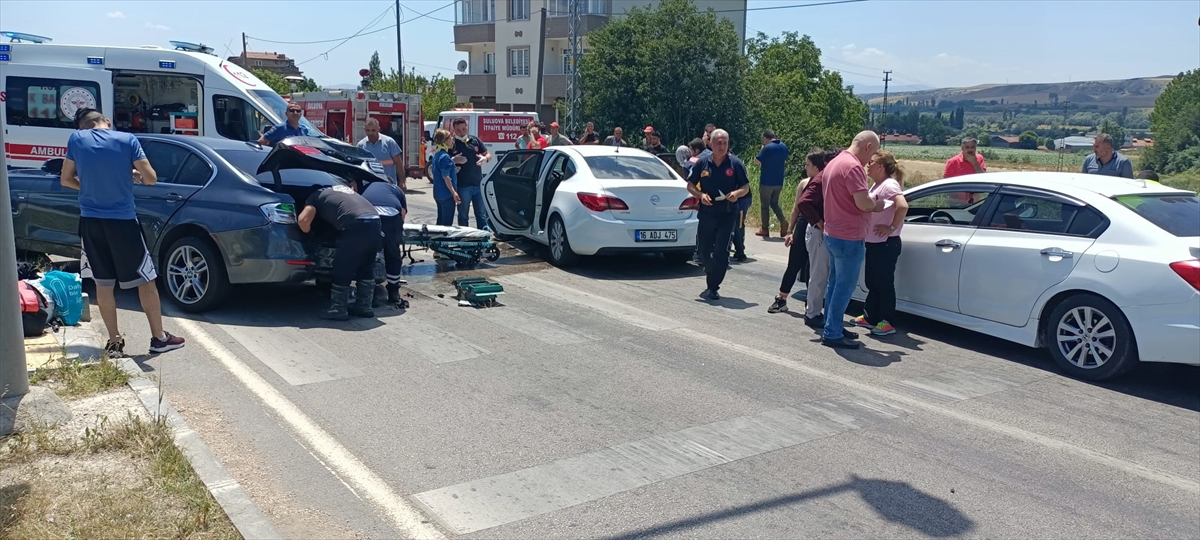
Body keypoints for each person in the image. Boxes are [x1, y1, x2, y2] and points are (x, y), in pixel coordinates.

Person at [62, 108, 186, 357]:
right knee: (146, 280)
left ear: (82, 127)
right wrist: (133, 174)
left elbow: (66, 179)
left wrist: (89, 187)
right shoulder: (127, 139)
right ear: (107, 121)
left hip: (91, 222)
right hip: (123, 222)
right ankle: (159, 338)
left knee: (103, 284)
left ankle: (115, 342)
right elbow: (151, 179)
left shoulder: (76, 139)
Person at [821, 131, 886, 349]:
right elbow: (863, 204)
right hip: (849, 236)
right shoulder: (853, 167)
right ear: (868, 147)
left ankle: (833, 324)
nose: (871, 159)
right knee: (844, 287)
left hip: (832, 232)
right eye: (874, 152)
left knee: (834, 283)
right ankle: (832, 332)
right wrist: (878, 204)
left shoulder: (835, 162)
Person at [297, 183, 383, 320]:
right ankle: (364, 307)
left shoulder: (315, 197)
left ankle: (338, 309)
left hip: (356, 224)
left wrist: (308, 235)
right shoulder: (341, 191)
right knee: (366, 267)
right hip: (375, 221)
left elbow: (303, 220)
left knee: (343, 267)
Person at [686, 129, 749, 301]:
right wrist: (701, 195)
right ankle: (709, 270)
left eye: (725, 143)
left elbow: (745, 187)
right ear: (711, 144)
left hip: (727, 214)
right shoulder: (702, 163)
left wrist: (737, 193)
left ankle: (713, 287)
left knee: (721, 252)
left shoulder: (735, 164)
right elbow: (690, 185)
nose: (722, 146)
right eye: (718, 143)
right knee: (704, 252)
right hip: (707, 213)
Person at [768, 150, 832, 317]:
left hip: (818, 228)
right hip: (803, 225)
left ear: (817, 167)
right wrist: (790, 231)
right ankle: (781, 298)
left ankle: (811, 303)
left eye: (808, 165)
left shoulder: (826, 183)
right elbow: (796, 208)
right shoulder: (804, 183)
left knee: (814, 268)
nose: (805, 168)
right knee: (794, 263)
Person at [852, 150, 909, 336]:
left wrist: (891, 227)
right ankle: (870, 316)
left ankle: (887, 320)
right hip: (874, 242)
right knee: (872, 281)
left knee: (884, 282)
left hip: (886, 243)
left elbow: (902, 205)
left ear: (881, 167)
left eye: (872, 162)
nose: (868, 164)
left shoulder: (889, 185)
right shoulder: (877, 185)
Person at [360, 178, 408, 305]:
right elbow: (402, 214)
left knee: (368, 253)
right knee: (393, 254)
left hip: (369, 216)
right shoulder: (397, 190)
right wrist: (395, 235)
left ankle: (368, 293)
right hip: (391, 217)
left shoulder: (366, 186)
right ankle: (393, 292)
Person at [449, 118, 492, 229]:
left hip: (478, 183)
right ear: (454, 130)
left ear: (467, 127)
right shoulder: (451, 143)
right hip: (463, 186)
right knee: (463, 216)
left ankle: (482, 239)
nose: (462, 132)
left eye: (464, 129)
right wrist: (453, 160)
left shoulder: (474, 140)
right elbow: (444, 161)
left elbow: (488, 154)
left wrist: (485, 159)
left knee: (481, 215)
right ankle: (465, 240)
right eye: (458, 130)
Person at [754, 130, 789, 238]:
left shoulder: (767, 148)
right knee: (774, 203)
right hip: (779, 181)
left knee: (765, 206)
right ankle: (783, 220)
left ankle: (765, 229)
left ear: (765, 138)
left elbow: (756, 162)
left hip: (766, 182)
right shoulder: (784, 147)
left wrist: (762, 149)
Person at [356, 118, 406, 190]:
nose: (370, 133)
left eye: (373, 130)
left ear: (379, 129)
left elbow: (399, 163)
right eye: (368, 130)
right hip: (368, 186)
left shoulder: (389, 142)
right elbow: (358, 167)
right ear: (364, 130)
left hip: (388, 184)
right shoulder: (361, 145)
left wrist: (402, 181)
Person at [429, 129, 461, 226]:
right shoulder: (445, 157)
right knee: (446, 225)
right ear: (445, 140)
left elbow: (440, 171)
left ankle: (436, 239)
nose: (452, 140)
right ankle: (442, 240)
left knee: (440, 222)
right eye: (450, 138)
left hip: (438, 193)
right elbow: (445, 176)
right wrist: (454, 192)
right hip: (446, 194)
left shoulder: (437, 155)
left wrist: (454, 170)